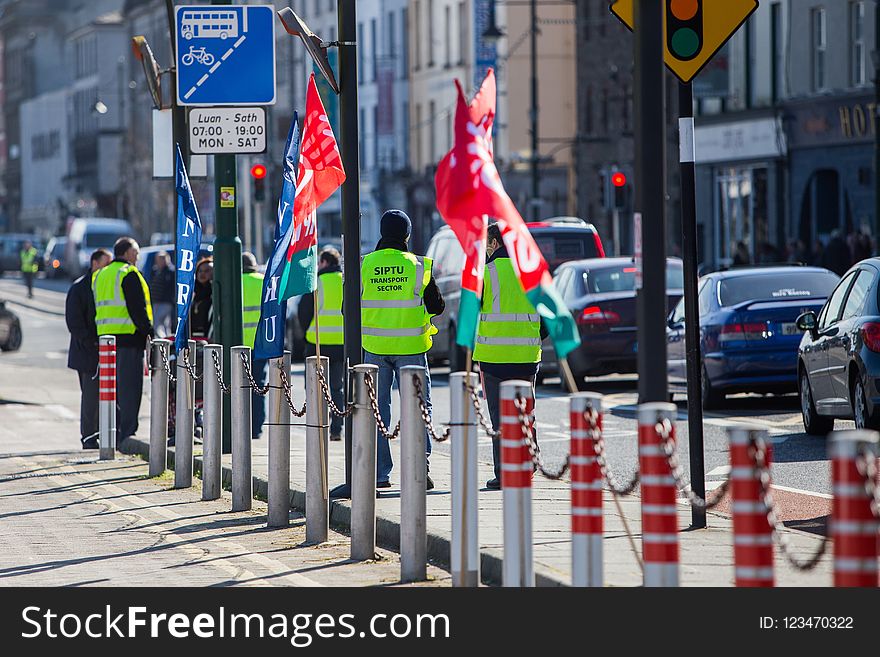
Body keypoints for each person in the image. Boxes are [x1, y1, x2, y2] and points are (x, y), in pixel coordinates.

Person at [361, 209, 445, 490]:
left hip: (373, 348)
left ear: (382, 233)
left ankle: (380, 474)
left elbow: (346, 308)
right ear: (407, 234)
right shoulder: (420, 266)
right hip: (411, 348)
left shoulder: (364, 264)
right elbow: (437, 307)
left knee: (376, 409)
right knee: (418, 408)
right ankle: (419, 470)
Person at [474, 223, 546, 490]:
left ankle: (504, 473)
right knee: (526, 412)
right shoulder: (531, 273)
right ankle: (529, 464)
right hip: (527, 355)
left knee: (499, 417)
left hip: (493, 357)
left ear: (495, 243)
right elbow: (546, 317)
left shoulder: (485, 273)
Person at [91, 237, 153, 443]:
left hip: (105, 341)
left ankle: (111, 432)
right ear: (126, 253)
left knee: (111, 391)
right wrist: (149, 332)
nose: (137, 256)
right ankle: (126, 434)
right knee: (129, 390)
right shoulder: (128, 274)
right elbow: (137, 309)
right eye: (135, 252)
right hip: (128, 340)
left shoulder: (100, 275)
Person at [65, 248, 112, 449]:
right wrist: (91, 342)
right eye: (106, 263)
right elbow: (74, 322)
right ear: (94, 263)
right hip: (87, 351)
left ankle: (105, 433)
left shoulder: (106, 285)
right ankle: (89, 436)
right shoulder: (80, 288)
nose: (109, 268)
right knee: (91, 395)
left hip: (104, 349)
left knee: (106, 395)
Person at [298, 246, 345, 441]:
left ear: (324, 262)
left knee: (315, 386)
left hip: (317, 342)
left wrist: (307, 332)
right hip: (342, 343)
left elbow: (304, 311)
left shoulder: (316, 282)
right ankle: (336, 429)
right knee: (337, 387)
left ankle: (318, 426)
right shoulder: (345, 281)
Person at [241, 251, 268, 440]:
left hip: (238, 345)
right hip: (260, 344)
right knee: (258, 386)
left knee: (238, 387)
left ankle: (240, 425)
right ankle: (257, 427)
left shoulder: (233, 282)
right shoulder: (263, 281)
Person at [149, 251, 175, 338]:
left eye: (163, 259)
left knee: (157, 322)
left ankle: (163, 339)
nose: (161, 261)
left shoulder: (170, 272)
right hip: (155, 301)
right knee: (163, 323)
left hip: (166, 302)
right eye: (159, 259)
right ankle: (166, 338)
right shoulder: (155, 271)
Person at [190, 256, 213, 340]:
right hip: (194, 338)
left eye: (207, 271)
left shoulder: (214, 294)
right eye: (200, 271)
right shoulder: (193, 293)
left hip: (209, 339)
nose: (202, 274)